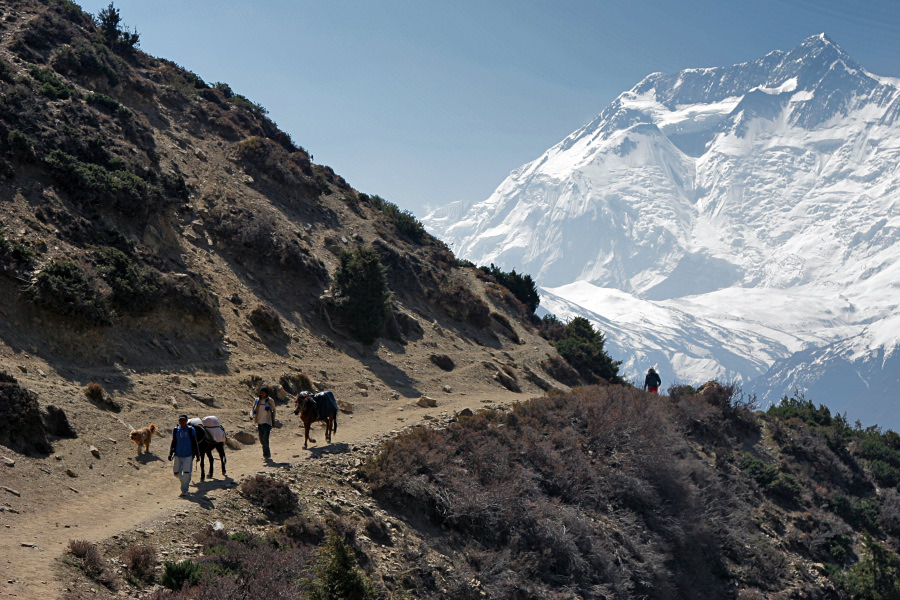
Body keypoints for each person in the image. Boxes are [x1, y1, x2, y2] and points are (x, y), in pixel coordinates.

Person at [168, 414, 199, 497]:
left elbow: (194, 442)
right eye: (180, 420)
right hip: (178, 455)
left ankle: (184, 490)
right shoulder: (175, 430)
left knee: (186, 472)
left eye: (183, 420)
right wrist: (171, 453)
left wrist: (197, 454)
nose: (182, 422)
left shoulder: (190, 430)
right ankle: (186, 480)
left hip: (188, 455)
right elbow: (173, 442)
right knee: (176, 473)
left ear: (186, 421)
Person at [250, 386, 276, 460]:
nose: (262, 394)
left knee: (265, 439)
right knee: (261, 439)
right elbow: (253, 409)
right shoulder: (257, 400)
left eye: (263, 393)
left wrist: (273, 419)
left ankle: (266, 455)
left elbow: (274, 410)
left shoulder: (270, 401)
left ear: (266, 393)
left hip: (267, 423)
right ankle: (266, 452)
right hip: (259, 422)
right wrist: (251, 415)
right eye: (261, 393)